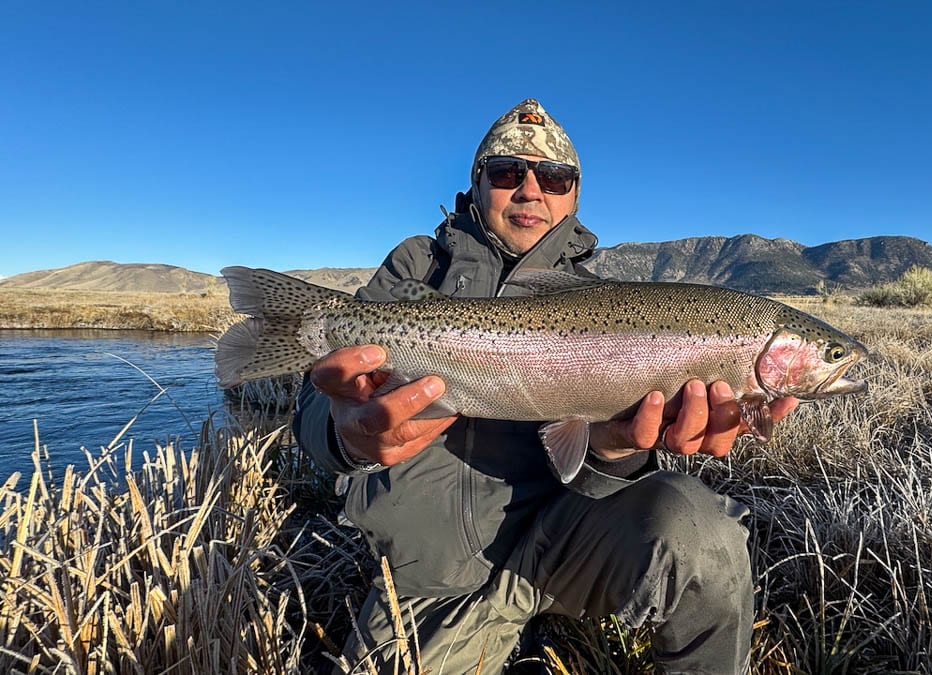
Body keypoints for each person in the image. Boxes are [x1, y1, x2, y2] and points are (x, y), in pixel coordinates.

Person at [293, 99, 798, 674]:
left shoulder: (604, 304)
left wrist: (614, 447)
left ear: (574, 196)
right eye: (508, 174)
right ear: (477, 184)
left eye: (554, 178)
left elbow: (589, 473)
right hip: (427, 578)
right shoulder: (415, 269)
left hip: (562, 544)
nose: (532, 191)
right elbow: (316, 404)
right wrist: (347, 437)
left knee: (706, 532)